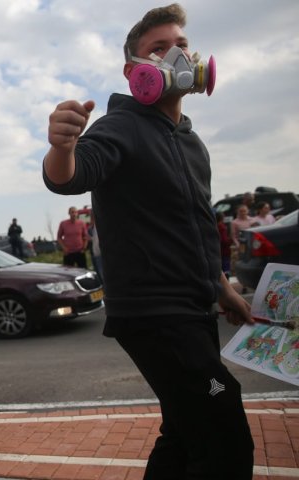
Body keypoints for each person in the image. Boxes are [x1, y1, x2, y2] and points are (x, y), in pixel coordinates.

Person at [42, 4, 254, 478]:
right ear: (135, 70)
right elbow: (72, 176)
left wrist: (223, 290)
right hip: (156, 314)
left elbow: (196, 230)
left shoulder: (191, 142)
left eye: (180, 46)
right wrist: (61, 147)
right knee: (224, 433)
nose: (175, 57)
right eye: (157, 49)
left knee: (182, 433)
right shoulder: (120, 125)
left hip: (193, 310)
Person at [216, 210, 232, 278]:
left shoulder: (215, 225)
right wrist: (230, 241)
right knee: (226, 267)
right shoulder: (222, 227)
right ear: (222, 218)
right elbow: (224, 240)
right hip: (224, 250)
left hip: (218, 250)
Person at [88, 212, 103, 282]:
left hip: (101, 256)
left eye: (92, 215)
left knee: (103, 276)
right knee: (99, 275)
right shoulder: (92, 227)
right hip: (96, 255)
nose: (91, 217)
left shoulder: (100, 224)